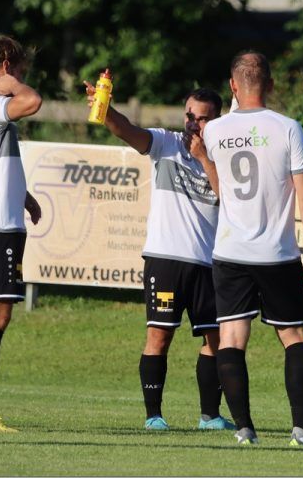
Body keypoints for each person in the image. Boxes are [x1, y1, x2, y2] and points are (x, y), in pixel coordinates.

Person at [84, 81, 233, 431]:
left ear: (218, 120)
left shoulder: (224, 158)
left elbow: (228, 198)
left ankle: (209, 416)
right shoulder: (165, 144)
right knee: (159, 336)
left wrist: (202, 157)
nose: (193, 124)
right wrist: (104, 108)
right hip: (166, 259)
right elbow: (128, 131)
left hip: (209, 263)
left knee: (217, 339)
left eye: (202, 118)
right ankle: (154, 415)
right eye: (189, 116)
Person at [202, 51, 303, 446]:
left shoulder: (214, 131)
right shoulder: (287, 127)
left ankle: (244, 430)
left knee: (231, 339)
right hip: (276, 254)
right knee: (294, 337)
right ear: (271, 85)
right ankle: (301, 430)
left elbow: (221, 188)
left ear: (232, 86)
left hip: (230, 251)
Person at [0, 36, 43, 432]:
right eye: (20, 71)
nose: (23, 79)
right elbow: (33, 102)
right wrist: (12, 84)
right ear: (4, 65)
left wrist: (26, 196)